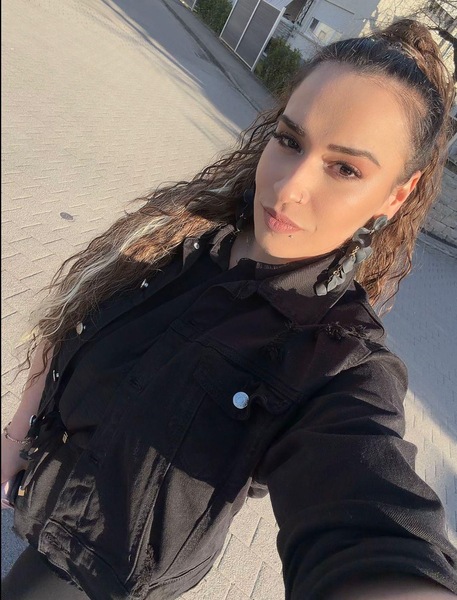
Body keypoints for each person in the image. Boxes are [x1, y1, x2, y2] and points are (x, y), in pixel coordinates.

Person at [2, 17, 457, 600]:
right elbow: (70, 323)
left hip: (92, 576)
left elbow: (367, 504)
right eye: (290, 141)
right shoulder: (181, 236)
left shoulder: (334, 357)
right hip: (39, 494)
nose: (288, 188)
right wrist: (16, 436)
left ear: (396, 194)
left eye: (345, 169)